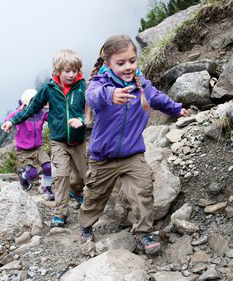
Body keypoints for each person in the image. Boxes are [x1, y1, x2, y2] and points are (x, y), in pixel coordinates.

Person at [78, 35, 188, 254]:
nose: (128, 67)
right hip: (103, 157)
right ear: (108, 64)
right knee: (95, 195)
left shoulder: (141, 85)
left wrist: (177, 109)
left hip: (132, 154)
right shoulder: (101, 84)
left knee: (143, 190)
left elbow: (157, 98)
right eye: (121, 63)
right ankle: (85, 225)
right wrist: (111, 94)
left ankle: (143, 234)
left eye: (132, 61)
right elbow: (92, 97)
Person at [2, 49, 87, 227]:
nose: (71, 75)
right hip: (58, 141)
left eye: (75, 71)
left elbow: (91, 109)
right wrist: (12, 121)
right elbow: (31, 109)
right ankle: (61, 212)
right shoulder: (49, 89)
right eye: (67, 71)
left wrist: (82, 121)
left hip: (79, 140)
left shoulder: (82, 87)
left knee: (80, 176)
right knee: (62, 174)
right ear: (57, 71)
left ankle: (76, 191)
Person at [4, 88, 54, 201]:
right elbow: (9, 119)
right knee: (32, 174)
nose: (36, 104)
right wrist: (9, 123)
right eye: (33, 101)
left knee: (47, 166)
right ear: (27, 102)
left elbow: (51, 117)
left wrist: (51, 108)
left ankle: (47, 188)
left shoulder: (41, 113)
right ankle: (23, 177)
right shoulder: (21, 114)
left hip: (38, 148)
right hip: (23, 150)